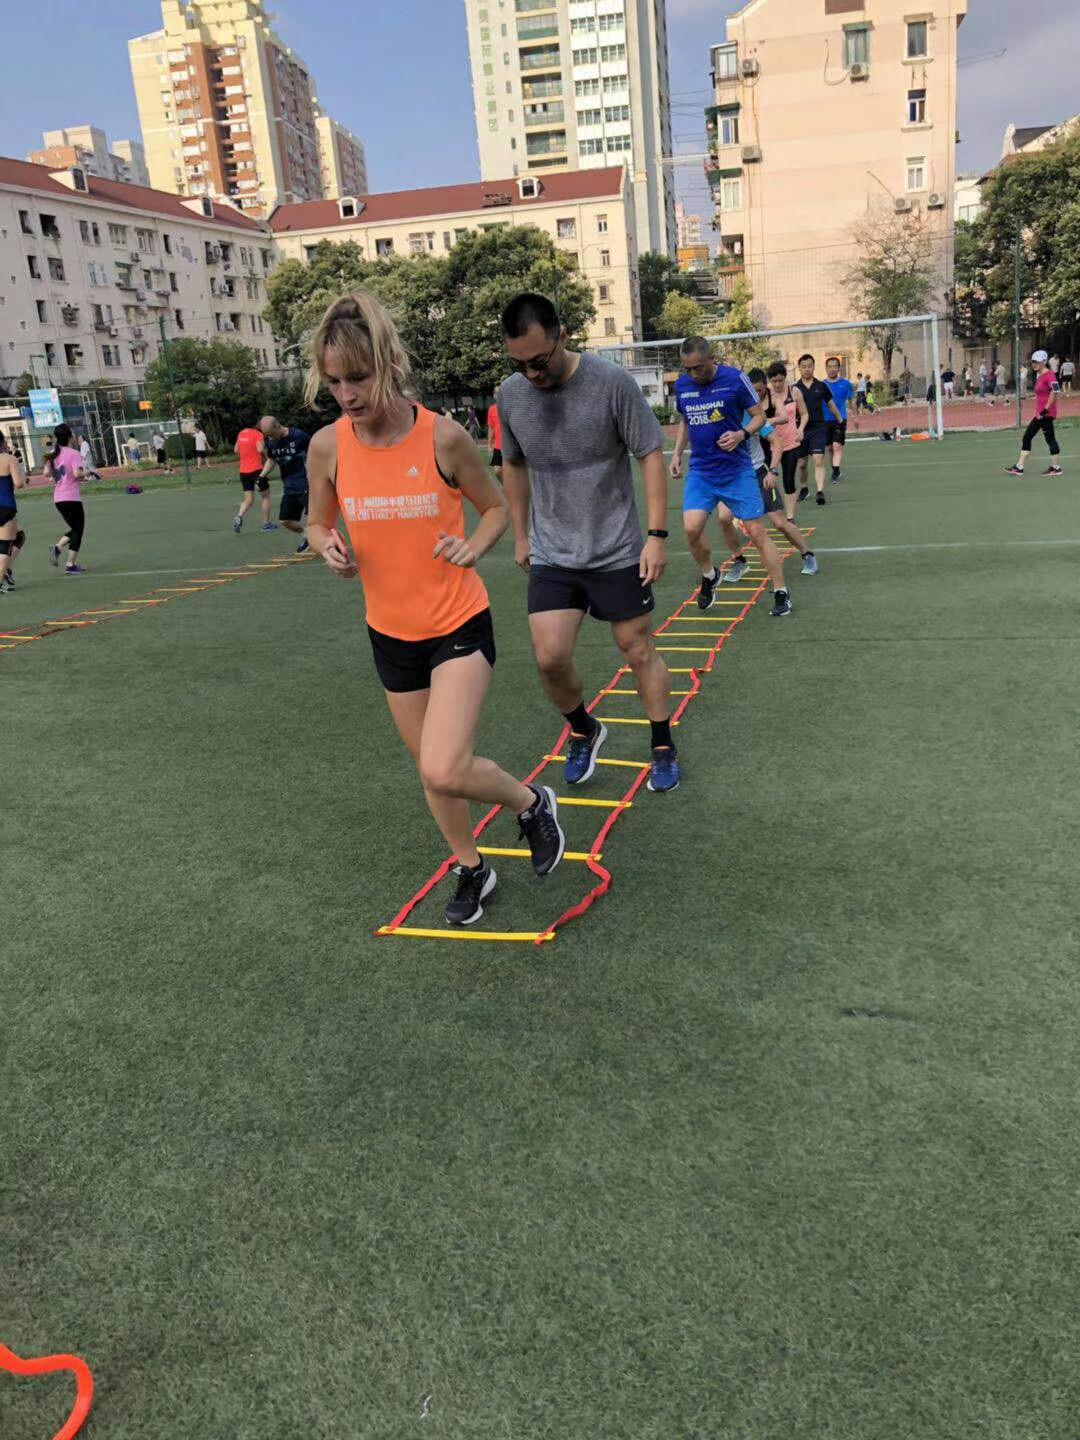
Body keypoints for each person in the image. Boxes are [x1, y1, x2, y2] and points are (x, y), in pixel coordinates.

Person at [304, 290, 565, 926]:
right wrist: (326, 545)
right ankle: (472, 867)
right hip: (390, 632)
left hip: (458, 623)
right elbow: (315, 522)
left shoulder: (442, 438)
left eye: (358, 377)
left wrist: (474, 546)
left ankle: (531, 803)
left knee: (444, 763)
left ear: (387, 364)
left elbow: (495, 507)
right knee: (432, 771)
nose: (347, 394)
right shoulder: (328, 447)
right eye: (335, 382)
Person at [499, 292, 679, 793]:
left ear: (563, 336)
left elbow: (649, 453)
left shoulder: (611, 383)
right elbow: (512, 463)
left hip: (616, 547)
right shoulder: (510, 395)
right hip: (553, 550)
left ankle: (662, 745)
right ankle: (584, 728)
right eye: (519, 364)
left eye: (539, 361)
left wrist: (656, 536)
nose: (531, 374)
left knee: (636, 648)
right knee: (549, 658)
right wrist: (521, 534)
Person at [671, 337, 793, 619]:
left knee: (757, 532)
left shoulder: (735, 379)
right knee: (691, 529)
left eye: (698, 367)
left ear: (711, 359)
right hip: (701, 471)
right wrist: (677, 454)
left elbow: (759, 417)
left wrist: (742, 434)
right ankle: (710, 575)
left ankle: (781, 591)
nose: (693, 374)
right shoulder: (683, 385)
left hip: (737, 471)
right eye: (688, 369)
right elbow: (686, 421)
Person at [716, 369, 818, 584]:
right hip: (731, 475)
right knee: (724, 518)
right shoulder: (720, 415)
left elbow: (776, 442)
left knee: (779, 522)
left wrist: (772, 471)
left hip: (757, 472)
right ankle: (739, 561)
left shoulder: (754, 416)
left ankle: (807, 553)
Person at [794, 354, 843, 506]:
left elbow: (831, 404)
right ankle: (804, 488)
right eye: (803, 366)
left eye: (809, 366)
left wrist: (840, 419)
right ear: (799, 368)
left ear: (814, 367)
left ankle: (820, 491)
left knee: (818, 459)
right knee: (802, 464)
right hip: (800, 430)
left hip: (818, 428)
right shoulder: (794, 388)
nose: (807, 369)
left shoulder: (821, 386)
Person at [1004, 350, 1062, 477]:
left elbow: (1055, 391)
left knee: (1036, 438)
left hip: (1045, 414)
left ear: (1044, 362)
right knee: (1041, 438)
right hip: (1040, 414)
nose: (1034, 364)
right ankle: (1022, 467)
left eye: (1037, 362)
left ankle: (1053, 468)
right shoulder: (1040, 375)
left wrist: (1045, 410)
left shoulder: (1050, 375)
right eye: (1033, 361)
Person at [764, 360, 808, 523]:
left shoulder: (794, 391)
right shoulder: (766, 395)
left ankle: (790, 517)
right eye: (774, 381)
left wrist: (800, 429)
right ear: (769, 380)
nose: (777, 384)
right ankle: (773, 514)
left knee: (789, 481)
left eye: (780, 380)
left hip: (791, 443)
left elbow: (804, 414)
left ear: (785, 378)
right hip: (770, 445)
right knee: (767, 481)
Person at [259, 415, 310, 552]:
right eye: (267, 435)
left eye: (271, 434)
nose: (270, 438)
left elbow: (316, 451)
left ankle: (329, 544)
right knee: (285, 520)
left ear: (277, 426)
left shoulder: (298, 435)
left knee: (314, 518)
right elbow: (271, 460)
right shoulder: (271, 442)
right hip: (289, 486)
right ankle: (307, 534)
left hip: (307, 483)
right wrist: (262, 476)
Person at [45, 423, 87, 574]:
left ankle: (57, 548)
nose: (75, 435)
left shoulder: (54, 453)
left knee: (76, 529)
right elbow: (77, 474)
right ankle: (70, 564)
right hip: (71, 498)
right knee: (78, 530)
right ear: (69, 436)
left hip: (59, 499)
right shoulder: (74, 453)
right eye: (73, 433)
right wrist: (88, 473)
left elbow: (46, 473)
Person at [232, 422, 274, 532]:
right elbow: (260, 449)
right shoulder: (257, 434)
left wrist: (246, 454)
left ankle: (239, 516)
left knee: (248, 500)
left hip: (243, 472)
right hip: (257, 471)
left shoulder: (241, 433)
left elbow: (236, 450)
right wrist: (266, 457)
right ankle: (266, 524)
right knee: (265, 497)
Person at [0, 431, 27, 594]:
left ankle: (6, 570)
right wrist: (20, 472)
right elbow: (19, 484)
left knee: (19, 536)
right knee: (4, 547)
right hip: (5, 507)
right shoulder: (9, 459)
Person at [823, 356, 854, 483]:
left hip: (840, 420)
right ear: (826, 368)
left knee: (837, 446)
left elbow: (852, 400)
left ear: (839, 368)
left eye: (834, 366)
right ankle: (836, 470)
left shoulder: (846, 384)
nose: (832, 369)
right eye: (829, 367)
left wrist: (855, 417)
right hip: (825, 421)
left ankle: (835, 473)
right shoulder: (821, 385)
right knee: (830, 448)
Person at [486, 386, 503, 483]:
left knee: (511, 471)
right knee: (497, 471)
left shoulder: (509, 408)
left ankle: (511, 488)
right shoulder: (492, 409)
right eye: (496, 393)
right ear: (494, 395)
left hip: (510, 446)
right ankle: (507, 487)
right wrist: (489, 445)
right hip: (498, 446)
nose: (499, 394)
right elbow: (491, 428)